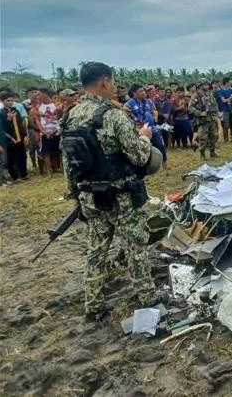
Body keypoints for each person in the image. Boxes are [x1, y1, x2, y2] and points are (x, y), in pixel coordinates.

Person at [60, 61, 161, 322]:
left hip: (91, 197)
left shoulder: (70, 115)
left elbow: (68, 162)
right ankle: (147, 297)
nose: (114, 86)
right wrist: (145, 137)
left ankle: (93, 305)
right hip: (123, 195)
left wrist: (73, 196)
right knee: (135, 246)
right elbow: (139, 157)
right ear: (104, 81)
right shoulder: (113, 115)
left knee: (96, 250)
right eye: (113, 81)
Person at [0, 92, 29, 181]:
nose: (10, 102)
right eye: (7, 101)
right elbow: (2, 129)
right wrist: (8, 120)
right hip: (9, 138)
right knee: (10, 158)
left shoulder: (16, 111)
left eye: (11, 100)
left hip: (19, 136)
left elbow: (21, 124)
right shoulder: (1, 113)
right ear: (2, 101)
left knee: (22, 156)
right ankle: (15, 176)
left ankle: (23, 175)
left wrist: (25, 135)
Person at [188, 81, 219, 159]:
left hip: (211, 119)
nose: (207, 86)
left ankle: (212, 152)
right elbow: (190, 108)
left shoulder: (210, 94)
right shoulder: (196, 96)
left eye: (207, 84)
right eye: (204, 85)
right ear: (200, 86)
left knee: (213, 136)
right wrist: (200, 113)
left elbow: (215, 105)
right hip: (202, 120)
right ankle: (202, 154)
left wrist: (215, 115)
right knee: (203, 138)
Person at [35, 88, 61, 176]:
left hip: (56, 131)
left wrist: (55, 130)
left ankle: (59, 168)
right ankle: (49, 171)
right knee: (46, 152)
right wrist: (43, 131)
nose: (37, 96)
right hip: (44, 133)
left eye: (39, 94)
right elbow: (37, 120)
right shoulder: (38, 106)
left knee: (58, 151)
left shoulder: (56, 105)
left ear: (45, 94)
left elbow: (60, 119)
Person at [215, 78, 232, 143]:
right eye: (229, 81)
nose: (230, 83)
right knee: (226, 125)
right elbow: (223, 101)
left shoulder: (231, 90)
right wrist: (231, 98)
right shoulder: (220, 91)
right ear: (226, 82)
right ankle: (226, 139)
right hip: (225, 110)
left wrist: (229, 99)